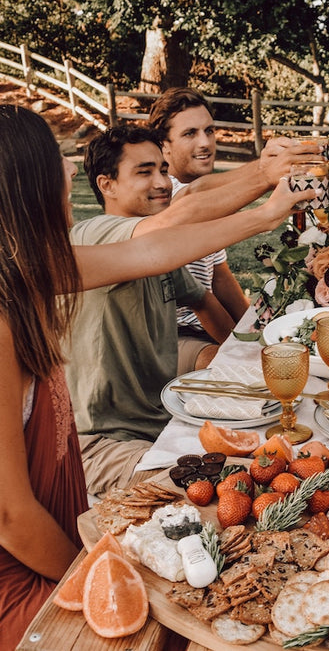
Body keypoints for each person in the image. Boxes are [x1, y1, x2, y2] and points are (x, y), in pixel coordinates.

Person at [0, 104, 312, 648]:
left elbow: (151, 250)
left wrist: (265, 215)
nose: (69, 172)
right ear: (24, 183)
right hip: (28, 579)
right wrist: (95, 571)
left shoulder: (32, 269)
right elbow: (8, 516)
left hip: (65, 525)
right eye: (58, 161)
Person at [69, 125, 312, 497]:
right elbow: (179, 215)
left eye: (163, 170)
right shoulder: (94, 234)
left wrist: (250, 357)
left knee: (277, 439)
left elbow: (202, 302)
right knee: (227, 487)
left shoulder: (162, 252)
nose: (163, 182)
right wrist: (266, 195)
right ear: (106, 184)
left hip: (161, 418)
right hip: (101, 444)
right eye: (144, 172)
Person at [149, 87, 249, 373]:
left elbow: (220, 278)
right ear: (164, 145)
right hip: (171, 334)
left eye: (209, 130)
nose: (205, 142)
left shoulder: (204, 198)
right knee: (230, 370)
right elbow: (192, 199)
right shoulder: (167, 193)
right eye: (189, 133)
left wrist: (258, 333)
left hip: (204, 328)